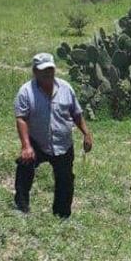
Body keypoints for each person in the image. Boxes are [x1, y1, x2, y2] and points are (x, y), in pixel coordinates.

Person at [13, 53, 93, 217]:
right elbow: (21, 118)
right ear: (35, 72)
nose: (48, 74)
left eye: (50, 69)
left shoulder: (66, 88)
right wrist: (26, 146)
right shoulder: (26, 92)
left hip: (62, 143)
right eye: (43, 71)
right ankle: (21, 206)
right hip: (37, 141)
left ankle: (62, 215)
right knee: (24, 166)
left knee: (65, 180)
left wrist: (86, 133)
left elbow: (76, 113)